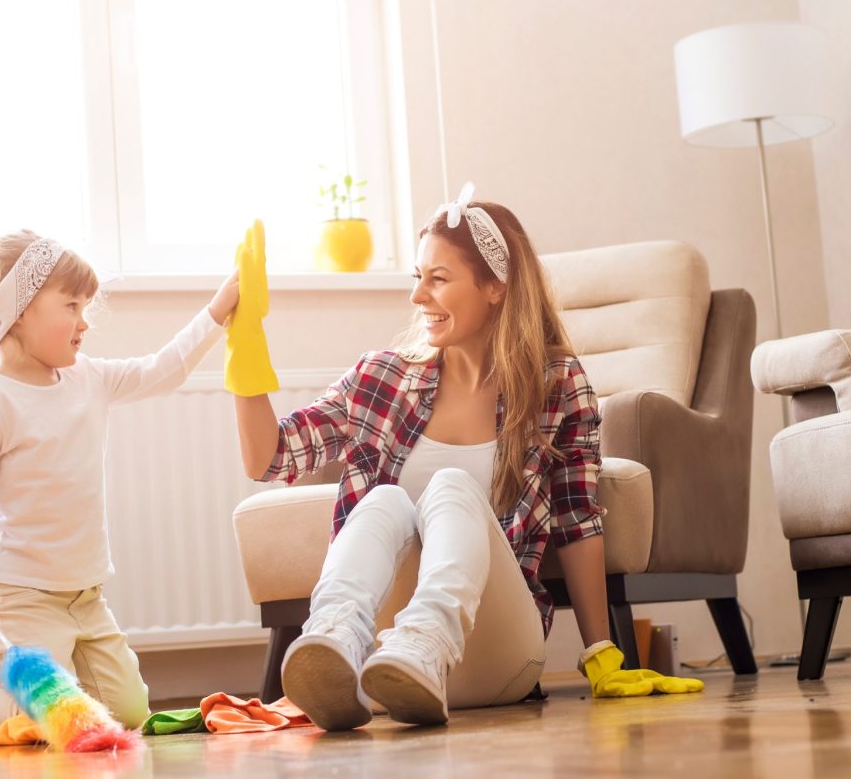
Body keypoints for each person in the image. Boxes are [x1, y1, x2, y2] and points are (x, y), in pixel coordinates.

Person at [227, 184, 703, 732]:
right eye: (417, 277)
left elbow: (577, 519)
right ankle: (332, 638)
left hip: (495, 655)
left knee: (452, 487)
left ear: (495, 287)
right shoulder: (383, 378)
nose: (417, 296)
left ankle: (427, 641)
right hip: (381, 666)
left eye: (439, 279)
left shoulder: (557, 383)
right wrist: (246, 349)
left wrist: (602, 652)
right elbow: (270, 458)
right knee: (382, 501)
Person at [0, 229, 239, 743]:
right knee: (49, 715)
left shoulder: (90, 379)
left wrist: (218, 310)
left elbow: (162, 370)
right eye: (72, 305)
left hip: (85, 594)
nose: (85, 322)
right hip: (20, 594)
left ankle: (41, 700)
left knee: (127, 711)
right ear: (17, 313)